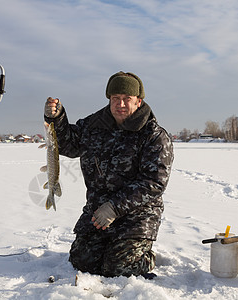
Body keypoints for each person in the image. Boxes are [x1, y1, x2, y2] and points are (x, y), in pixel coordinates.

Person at [44, 71, 174, 278]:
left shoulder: (154, 136)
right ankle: (112, 247)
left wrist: (114, 207)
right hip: (98, 213)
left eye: (126, 99)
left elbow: (154, 182)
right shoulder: (93, 126)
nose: (120, 104)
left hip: (137, 215)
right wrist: (56, 118)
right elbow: (68, 144)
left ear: (138, 101)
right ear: (109, 99)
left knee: (117, 269)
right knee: (82, 262)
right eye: (115, 98)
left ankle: (144, 255)